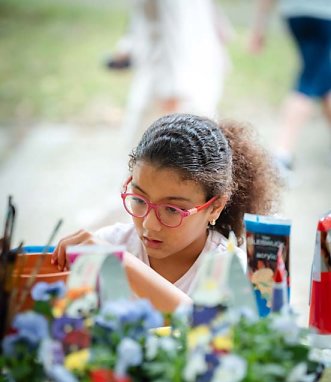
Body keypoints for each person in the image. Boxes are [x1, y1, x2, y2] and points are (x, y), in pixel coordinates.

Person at [52, 113, 280, 311]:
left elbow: (204, 330)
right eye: (139, 199)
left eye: (172, 209)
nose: (150, 224)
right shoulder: (108, 243)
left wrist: (121, 265)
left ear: (215, 207)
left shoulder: (232, 271)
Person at [111, 0, 233, 145]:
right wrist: (127, 47)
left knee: (191, 141)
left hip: (181, 73)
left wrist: (173, 88)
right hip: (174, 67)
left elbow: (176, 32)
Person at [249, 0, 331, 176]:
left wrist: (259, 26)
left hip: (294, 14)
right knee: (308, 83)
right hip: (324, 15)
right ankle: (281, 155)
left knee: (324, 81)